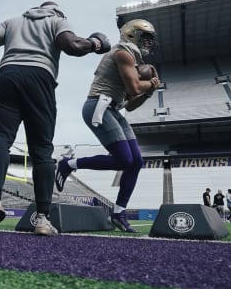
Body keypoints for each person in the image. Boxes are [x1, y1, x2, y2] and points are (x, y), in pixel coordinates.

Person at [0, 1, 109, 236]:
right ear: (57, 12)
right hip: (39, 77)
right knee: (42, 150)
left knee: (0, 139)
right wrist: (96, 43)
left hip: (8, 75)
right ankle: (42, 219)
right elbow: (72, 45)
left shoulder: (13, 21)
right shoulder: (57, 21)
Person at [55, 18, 156, 233]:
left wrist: (149, 91)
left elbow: (131, 104)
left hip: (113, 108)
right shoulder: (122, 53)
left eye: (150, 39)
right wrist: (150, 84)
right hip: (97, 105)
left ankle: (118, 213)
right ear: (132, 35)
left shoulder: (132, 59)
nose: (148, 43)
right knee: (124, 159)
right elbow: (135, 86)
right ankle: (68, 164)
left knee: (136, 161)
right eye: (145, 38)